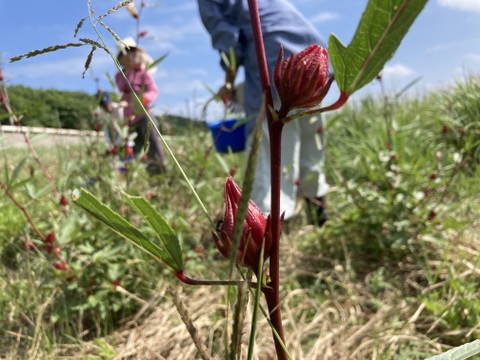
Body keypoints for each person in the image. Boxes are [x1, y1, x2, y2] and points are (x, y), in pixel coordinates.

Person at [197, 0, 328, 225]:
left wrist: (228, 83)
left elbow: (228, 41)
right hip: (313, 57)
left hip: (272, 58)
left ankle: (269, 229)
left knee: (269, 150)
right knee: (311, 142)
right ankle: (320, 218)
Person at [115, 37, 167, 175]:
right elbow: (122, 92)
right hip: (130, 119)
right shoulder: (119, 76)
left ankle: (158, 174)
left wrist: (144, 98)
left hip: (144, 116)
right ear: (120, 57)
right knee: (133, 149)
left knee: (153, 146)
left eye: (132, 51)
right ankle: (129, 176)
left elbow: (154, 91)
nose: (129, 55)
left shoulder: (144, 74)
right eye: (125, 52)